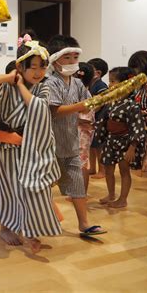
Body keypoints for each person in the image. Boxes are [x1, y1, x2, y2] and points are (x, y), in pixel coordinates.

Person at [0, 39, 62, 253]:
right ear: (20, 66)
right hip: (4, 146)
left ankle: (30, 231)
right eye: (33, 67)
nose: (38, 72)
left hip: (31, 147)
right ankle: (5, 228)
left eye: (42, 66)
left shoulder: (44, 86)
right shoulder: (6, 84)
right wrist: (11, 78)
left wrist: (21, 85)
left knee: (33, 190)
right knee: (7, 190)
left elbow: (39, 108)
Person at [45, 35, 106, 237]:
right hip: (49, 146)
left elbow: (89, 103)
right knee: (43, 187)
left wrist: (108, 96)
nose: (72, 62)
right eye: (67, 58)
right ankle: (38, 222)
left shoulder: (78, 83)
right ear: (54, 61)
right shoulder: (49, 82)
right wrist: (81, 107)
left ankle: (84, 223)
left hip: (71, 143)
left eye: (74, 57)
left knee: (78, 184)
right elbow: (55, 110)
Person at [95, 67, 146, 208]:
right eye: (109, 81)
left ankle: (123, 199)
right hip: (111, 140)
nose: (110, 84)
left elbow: (137, 127)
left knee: (124, 171)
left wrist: (132, 148)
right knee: (109, 169)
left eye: (113, 81)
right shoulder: (112, 101)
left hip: (125, 141)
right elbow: (104, 120)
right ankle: (111, 194)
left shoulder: (132, 104)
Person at [73, 62, 95, 193]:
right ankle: (77, 191)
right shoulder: (80, 93)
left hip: (82, 132)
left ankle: (82, 192)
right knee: (77, 163)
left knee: (82, 163)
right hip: (77, 131)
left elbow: (85, 119)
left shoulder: (85, 94)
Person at [87, 58, 109, 178]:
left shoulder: (101, 85)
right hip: (92, 118)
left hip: (100, 119)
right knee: (91, 144)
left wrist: (90, 112)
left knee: (99, 145)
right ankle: (92, 167)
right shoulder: (90, 84)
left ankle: (102, 170)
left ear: (98, 73)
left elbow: (100, 103)